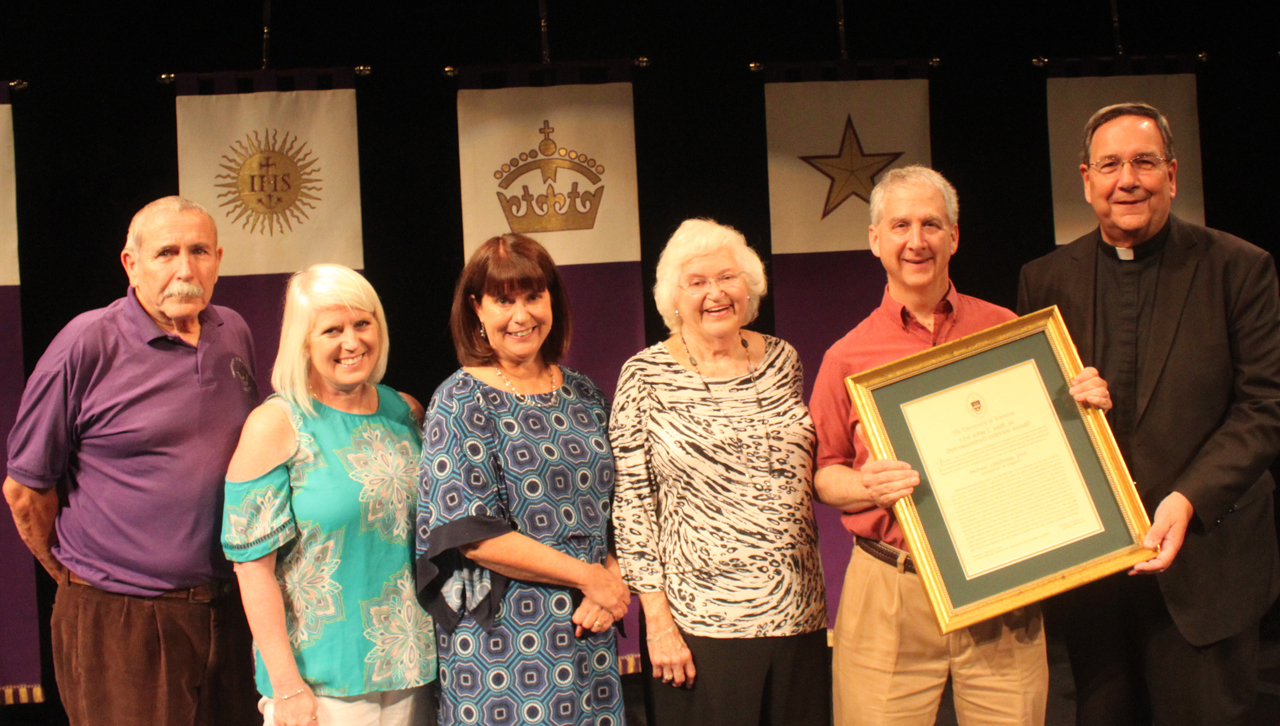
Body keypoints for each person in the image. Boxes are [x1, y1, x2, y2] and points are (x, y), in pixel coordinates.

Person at [810, 166, 1111, 726]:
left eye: (931, 224)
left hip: (1003, 587)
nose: (916, 241)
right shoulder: (846, 356)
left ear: (955, 236)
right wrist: (864, 484)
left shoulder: (1012, 334)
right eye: (900, 225)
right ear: (876, 239)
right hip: (891, 591)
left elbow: (1053, 451)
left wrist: (1082, 408)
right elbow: (822, 474)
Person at [1018, 102, 1280, 725]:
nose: (1126, 180)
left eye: (1144, 162)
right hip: (1094, 577)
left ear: (1173, 173)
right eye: (1109, 165)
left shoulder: (1239, 268)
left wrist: (1187, 499)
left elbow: (1264, 407)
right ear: (1085, 179)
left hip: (1207, 566)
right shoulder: (1044, 279)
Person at [2, 196, 260, 725]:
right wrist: (75, 578)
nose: (185, 268)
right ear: (131, 263)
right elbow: (25, 490)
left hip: (230, 609)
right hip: (122, 619)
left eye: (199, 251)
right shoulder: (86, 343)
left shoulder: (232, 330)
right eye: (167, 252)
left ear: (218, 258)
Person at [609, 218, 830, 726]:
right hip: (701, 625)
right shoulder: (644, 375)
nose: (716, 294)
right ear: (673, 297)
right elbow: (633, 507)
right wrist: (658, 623)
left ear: (749, 288)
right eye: (698, 282)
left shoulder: (782, 359)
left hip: (800, 612)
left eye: (728, 278)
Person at [415, 233, 629, 726]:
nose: (522, 315)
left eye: (534, 296)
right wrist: (588, 576)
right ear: (477, 309)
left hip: (588, 628)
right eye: (504, 300)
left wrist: (611, 582)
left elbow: (616, 509)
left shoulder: (583, 391)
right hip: (505, 643)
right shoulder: (460, 400)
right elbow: (471, 535)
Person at [221, 264, 436, 726]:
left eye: (363, 323)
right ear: (302, 341)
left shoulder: (404, 411)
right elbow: (252, 570)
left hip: (412, 667)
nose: (352, 342)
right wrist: (288, 687)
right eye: (332, 330)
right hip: (319, 684)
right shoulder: (276, 424)